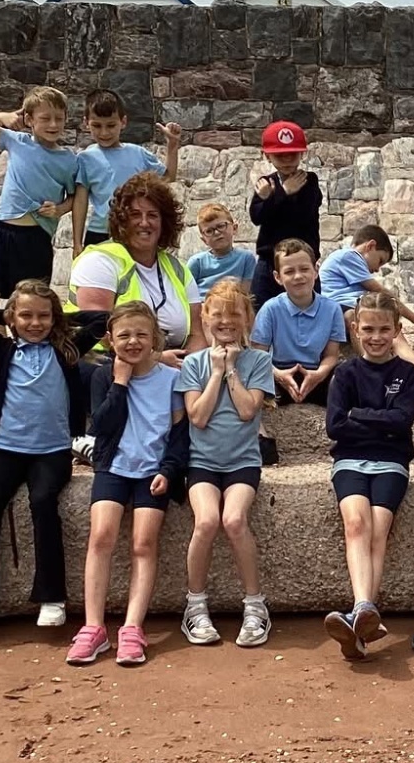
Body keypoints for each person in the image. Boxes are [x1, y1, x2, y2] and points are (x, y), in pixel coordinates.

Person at [0, 284, 107, 635]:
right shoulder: (2, 349)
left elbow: (102, 320)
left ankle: (51, 596)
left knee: (43, 502)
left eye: (43, 315)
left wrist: (61, 320)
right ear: (13, 319)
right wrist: (5, 315)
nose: (34, 322)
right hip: (9, 448)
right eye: (26, 315)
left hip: (53, 451)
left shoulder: (65, 350)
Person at [73, 302, 189, 669]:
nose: (133, 342)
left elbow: (179, 432)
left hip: (153, 470)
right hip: (113, 467)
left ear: (155, 338)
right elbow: (101, 426)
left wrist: (169, 471)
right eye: (124, 335)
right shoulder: (103, 376)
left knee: (143, 543)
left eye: (141, 334)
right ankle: (93, 627)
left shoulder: (171, 378)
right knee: (101, 537)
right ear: (110, 340)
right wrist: (120, 383)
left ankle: (132, 627)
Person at [176, 279, 277, 650]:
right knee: (206, 521)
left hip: (242, 462)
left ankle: (255, 605)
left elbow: (249, 409)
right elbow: (197, 417)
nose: (225, 320)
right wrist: (216, 371)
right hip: (202, 462)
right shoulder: (194, 364)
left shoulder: (259, 361)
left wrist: (232, 367)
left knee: (233, 520)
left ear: (247, 318)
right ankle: (195, 605)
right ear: (205, 317)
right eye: (217, 313)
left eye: (234, 313)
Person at [323, 293, 414, 661]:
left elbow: (402, 422)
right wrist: (379, 419)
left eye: (384, 329)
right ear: (355, 329)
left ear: (397, 330)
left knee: (378, 531)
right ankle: (365, 612)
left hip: (391, 462)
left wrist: (359, 416)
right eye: (368, 329)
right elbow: (335, 426)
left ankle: (359, 619)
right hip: (349, 461)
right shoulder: (345, 373)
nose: (376, 336)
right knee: (355, 525)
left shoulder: (406, 373)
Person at [70, 171, 205, 358]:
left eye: (152, 215)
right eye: (135, 215)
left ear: (164, 222)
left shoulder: (178, 268)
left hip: (173, 365)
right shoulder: (99, 261)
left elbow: (197, 334)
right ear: (122, 220)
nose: (144, 223)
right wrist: (156, 360)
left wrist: (190, 369)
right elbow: (100, 333)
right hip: (108, 365)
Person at [0, 89, 80, 307]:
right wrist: (4, 116)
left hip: (36, 237)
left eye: (59, 118)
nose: (53, 125)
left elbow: (75, 197)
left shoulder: (69, 161)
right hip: (2, 231)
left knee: (30, 303)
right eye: (45, 118)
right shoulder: (17, 141)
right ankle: (0, 341)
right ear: (29, 119)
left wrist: (59, 209)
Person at [248, 237, 345, 464]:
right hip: (278, 373)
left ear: (316, 270)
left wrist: (319, 374)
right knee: (247, 376)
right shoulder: (270, 309)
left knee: (346, 375)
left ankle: (343, 434)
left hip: (316, 373)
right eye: (289, 271)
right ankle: (259, 437)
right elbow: (257, 355)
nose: (298, 276)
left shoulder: (331, 309)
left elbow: (331, 355)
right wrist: (279, 376)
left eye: (304, 269)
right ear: (278, 278)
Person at [72, 89, 182, 256]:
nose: (104, 132)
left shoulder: (138, 154)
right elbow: (80, 201)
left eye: (111, 125)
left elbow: (167, 178)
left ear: (123, 122)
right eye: (97, 125)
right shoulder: (85, 158)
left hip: (135, 230)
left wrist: (172, 147)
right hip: (100, 232)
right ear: (86, 123)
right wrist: (77, 243)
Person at [319, 224, 414, 366]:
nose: (376, 269)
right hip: (338, 310)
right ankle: (370, 368)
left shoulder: (348, 261)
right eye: (380, 260)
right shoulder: (348, 256)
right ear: (370, 246)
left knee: (388, 325)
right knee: (354, 316)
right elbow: (381, 292)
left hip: (351, 309)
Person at [248, 120, 322, 306]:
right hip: (269, 259)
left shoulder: (309, 181)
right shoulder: (266, 183)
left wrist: (276, 197)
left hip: (302, 258)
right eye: (281, 156)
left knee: (309, 307)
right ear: (268, 156)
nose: (288, 161)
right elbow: (257, 217)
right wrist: (281, 193)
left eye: (293, 155)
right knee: (260, 308)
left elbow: (304, 214)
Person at [189, 202, 261, 290]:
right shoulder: (197, 262)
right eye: (209, 231)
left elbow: (246, 293)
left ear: (234, 228)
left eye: (221, 226)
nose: (216, 232)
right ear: (204, 240)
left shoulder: (246, 258)